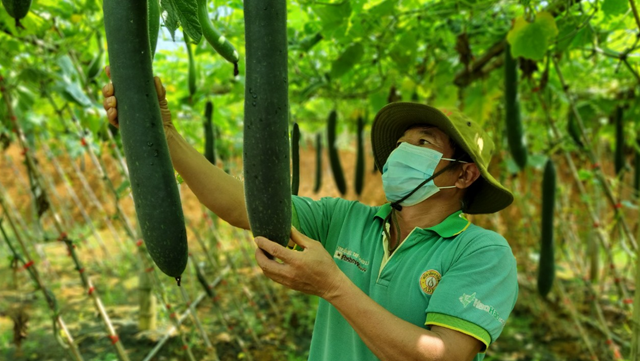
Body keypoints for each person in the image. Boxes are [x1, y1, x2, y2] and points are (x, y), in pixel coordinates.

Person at [102, 67, 518, 361]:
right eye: (400, 144)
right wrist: (164, 131)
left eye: (423, 143)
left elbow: (442, 358)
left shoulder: (482, 252)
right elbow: (242, 205)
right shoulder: (344, 220)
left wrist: (333, 286)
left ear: (463, 174)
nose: (400, 154)